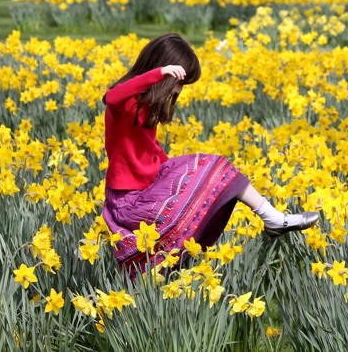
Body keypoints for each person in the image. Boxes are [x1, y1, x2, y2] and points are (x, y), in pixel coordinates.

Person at [101, 33, 319, 276]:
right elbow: (111, 96)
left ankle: (273, 218)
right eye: (179, 82)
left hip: (148, 190)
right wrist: (160, 72)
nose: (178, 90)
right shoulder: (123, 105)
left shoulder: (145, 105)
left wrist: (173, 170)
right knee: (215, 171)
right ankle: (273, 219)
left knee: (217, 172)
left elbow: (149, 149)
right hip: (130, 202)